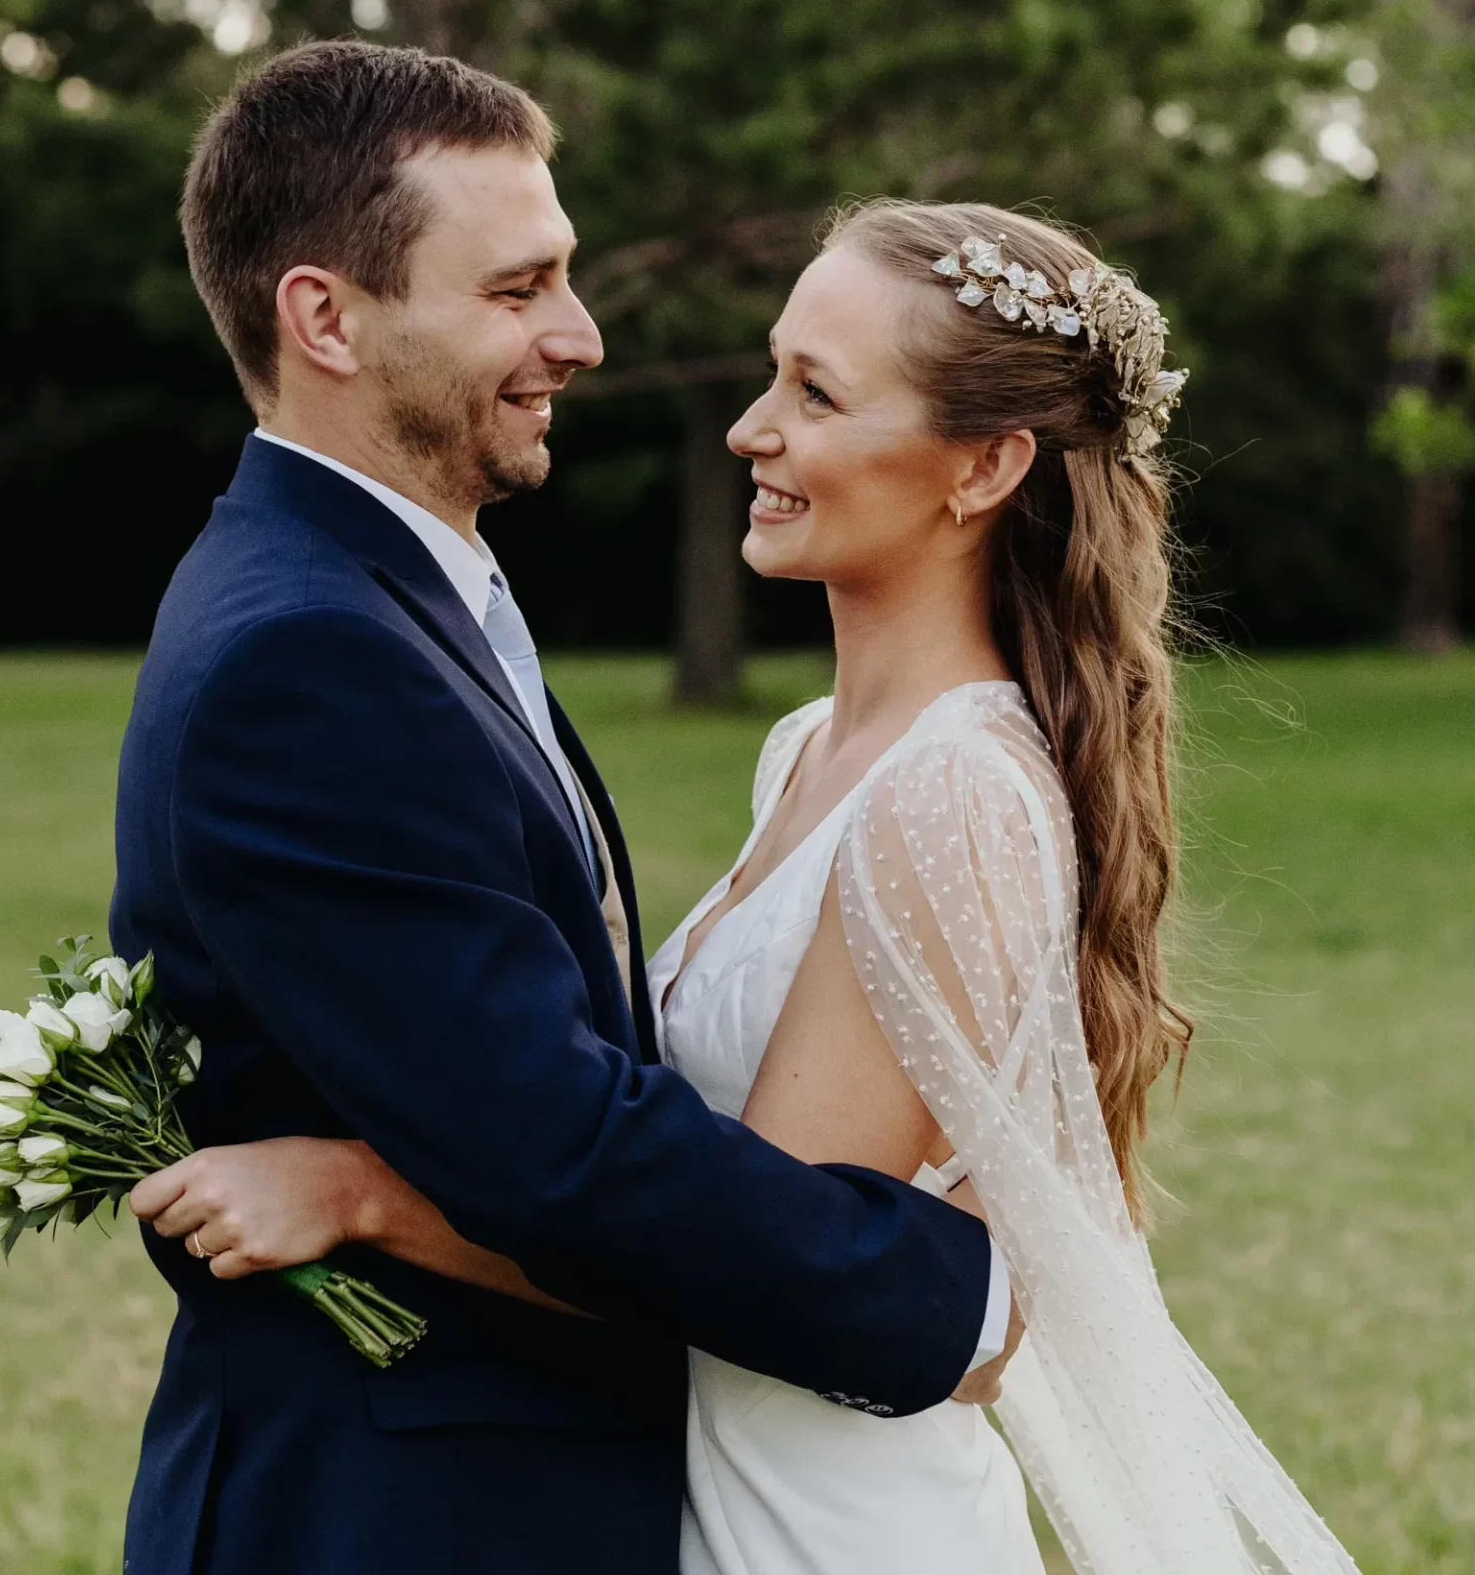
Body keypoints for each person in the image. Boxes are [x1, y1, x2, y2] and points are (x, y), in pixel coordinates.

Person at [144, 191, 1370, 1574]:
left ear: (980, 470)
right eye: (772, 372)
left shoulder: (948, 795)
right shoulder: (811, 752)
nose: (751, 429)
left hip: (819, 1520)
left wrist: (367, 1196)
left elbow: (759, 1261)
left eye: (816, 393)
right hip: (710, 1480)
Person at [110, 41, 1016, 1575]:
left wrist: (356, 1191)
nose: (580, 337)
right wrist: (944, 1293)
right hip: (400, 1518)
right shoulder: (309, 653)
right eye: (516, 289)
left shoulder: (380, 592)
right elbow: (560, 1154)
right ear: (324, 316)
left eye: (566, 278)